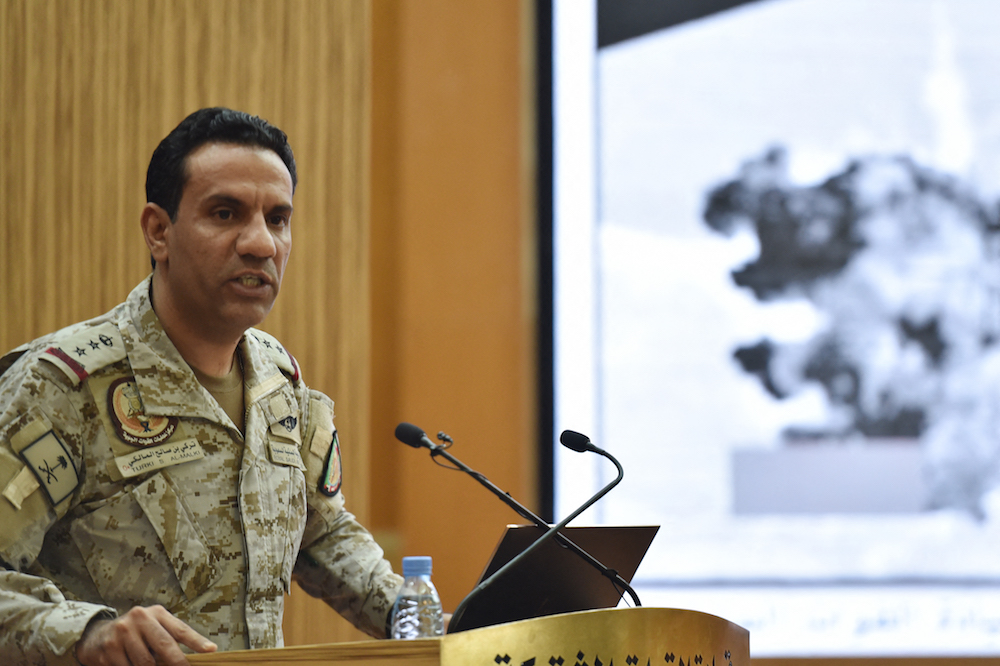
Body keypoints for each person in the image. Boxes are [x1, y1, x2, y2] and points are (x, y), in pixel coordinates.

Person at [0, 108, 403, 665]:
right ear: (159, 231)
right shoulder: (64, 386)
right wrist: (87, 634)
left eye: (278, 219)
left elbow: (322, 535)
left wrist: (417, 618)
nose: (261, 243)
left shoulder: (277, 379)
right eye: (225, 213)